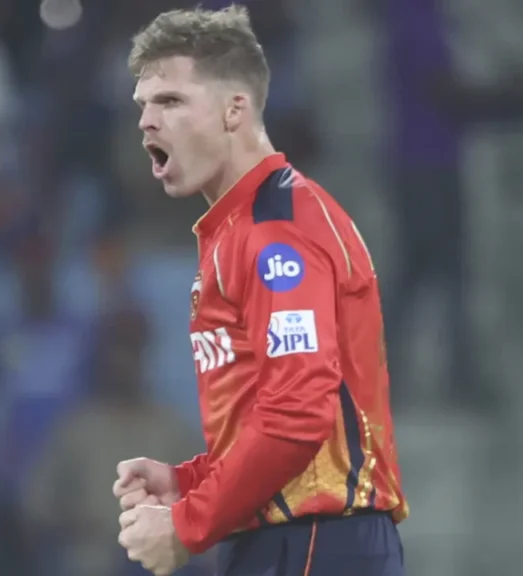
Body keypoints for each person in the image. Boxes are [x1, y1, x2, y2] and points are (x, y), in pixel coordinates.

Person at [112, 6, 408, 576]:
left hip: (315, 543)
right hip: (292, 539)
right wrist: (190, 481)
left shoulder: (277, 234)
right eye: (143, 105)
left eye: (170, 101)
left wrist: (187, 524)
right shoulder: (242, 227)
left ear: (234, 109)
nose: (147, 121)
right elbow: (271, 417)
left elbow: (298, 415)